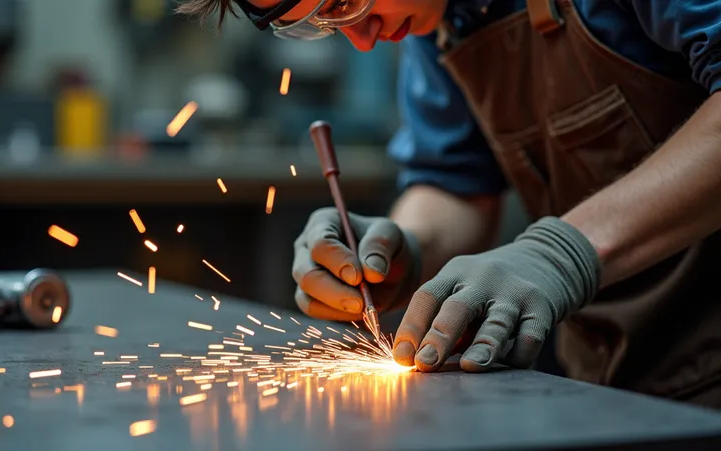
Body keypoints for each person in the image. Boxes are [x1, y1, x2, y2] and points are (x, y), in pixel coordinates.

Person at [177, 0, 721, 408]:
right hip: (610, 385)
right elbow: (455, 182)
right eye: (323, 22)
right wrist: (403, 245)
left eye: (346, 1)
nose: (362, 40)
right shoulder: (437, 21)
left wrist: (560, 253)